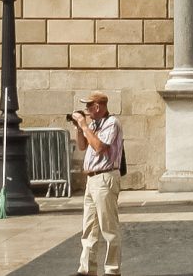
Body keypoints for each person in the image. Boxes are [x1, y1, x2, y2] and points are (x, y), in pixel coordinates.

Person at [68, 92, 123, 275]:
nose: (87, 110)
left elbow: (99, 147)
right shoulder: (95, 124)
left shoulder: (111, 123)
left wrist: (84, 125)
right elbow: (83, 146)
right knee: (89, 227)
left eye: (89, 106)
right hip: (92, 179)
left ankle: (112, 270)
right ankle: (86, 270)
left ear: (98, 107)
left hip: (105, 178)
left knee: (109, 227)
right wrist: (79, 128)